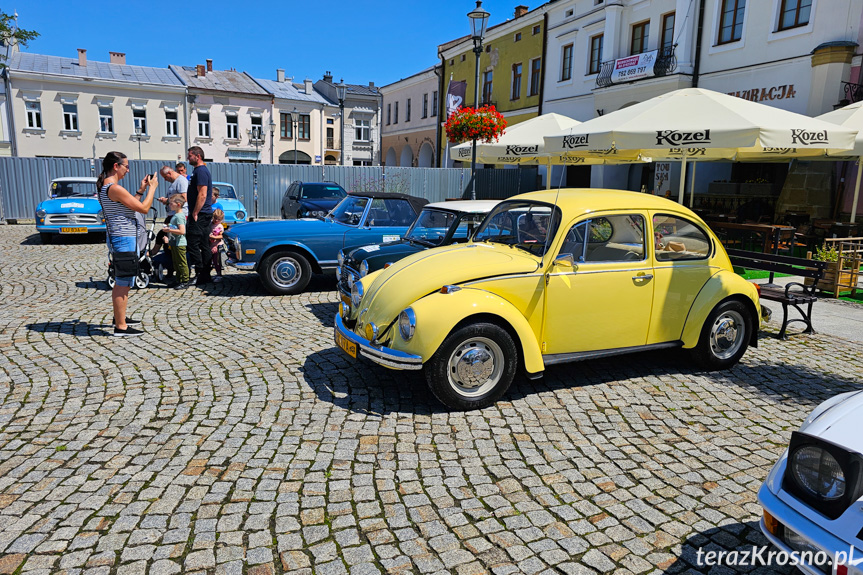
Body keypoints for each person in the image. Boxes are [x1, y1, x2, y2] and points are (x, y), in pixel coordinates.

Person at [97, 151, 158, 337]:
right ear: (116, 166)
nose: (128, 170)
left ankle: (120, 318)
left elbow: (130, 206)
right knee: (123, 282)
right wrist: (152, 188)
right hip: (123, 238)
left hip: (123, 238)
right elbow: (144, 208)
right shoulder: (114, 188)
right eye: (126, 166)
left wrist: (140, 190)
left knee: (127, 280)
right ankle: (120, 327)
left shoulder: (110, 188)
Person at [186, 146, 215, 285]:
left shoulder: (201, 171)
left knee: (193, 243)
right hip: (202, 213)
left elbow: (202, 194)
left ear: (198, 156)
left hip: (201, 214)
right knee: (203, 244)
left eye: (190, 155)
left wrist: (195, 212)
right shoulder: (198, 171)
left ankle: (200, 273)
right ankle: (204, 275)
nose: (187, 158)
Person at [163, 195, 191, 289]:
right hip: (174, 243)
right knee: (176, 262)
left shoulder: (179, 216)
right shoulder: (175, 215)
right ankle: (178, 279)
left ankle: (185, 280)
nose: (169, 205)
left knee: (181, 263)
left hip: (180, 243)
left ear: (178, 204)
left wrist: (169, 230)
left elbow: (182, 231)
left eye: (171, 203)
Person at [209, 208, 225, 283]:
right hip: (211, 245)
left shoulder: (220, 226)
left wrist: (214, 237)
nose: (216, 220)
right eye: (215, 218)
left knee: (217, 261)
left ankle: (219, 274)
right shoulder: (210, 225)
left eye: (218, 219)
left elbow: (221, 236)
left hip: (217, 246)